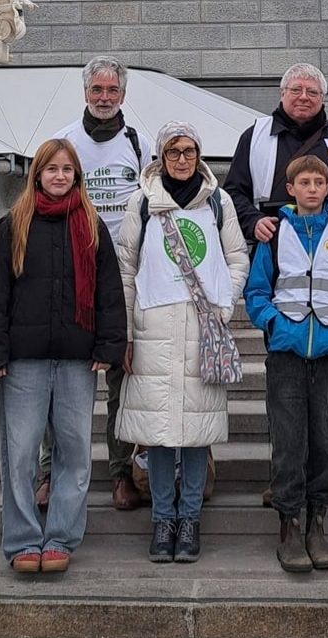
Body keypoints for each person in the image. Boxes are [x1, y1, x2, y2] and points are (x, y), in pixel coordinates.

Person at [225, 62, 328, 509]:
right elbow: (233, 190)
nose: (304, 96)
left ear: (323, 97)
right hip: (278, 241)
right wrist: (255, 224)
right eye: (296, 89)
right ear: (282, 92)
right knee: (284, 389)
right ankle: (286, 474)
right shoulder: (254, 135)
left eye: (312, 90)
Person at [0, 138, 125, 573]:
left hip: (78, 359)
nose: (60, 176)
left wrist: (109, 344)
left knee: (75, 451)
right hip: (23, 361)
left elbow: (110, 293)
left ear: (77, 175)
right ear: (37, 174)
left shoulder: (92, 226)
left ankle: (60, 535)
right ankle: (24, 539)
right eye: (51, 169)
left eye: (67, 169)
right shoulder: (12, 226)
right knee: (21, 452)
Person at [117, 121, 249, 563]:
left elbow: (236, 256)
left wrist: (225, 305)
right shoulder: (141, 202)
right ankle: (162, 519)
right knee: (158, 434)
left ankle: (189, 519)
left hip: (202, 329)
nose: (182, 159)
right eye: (173, 152)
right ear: (160, 156)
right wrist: (128, 329)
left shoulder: (218, 201)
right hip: (153, 328)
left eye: (189, 150)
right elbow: (125, 268)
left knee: (195, 432)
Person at [244, 155, 328, 572]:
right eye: (305, 181)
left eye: (320, 181)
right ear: (291, 188)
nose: (313, 188)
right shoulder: (274, 234)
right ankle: (289, 522)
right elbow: (256, 292)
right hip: (286, 353)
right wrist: (275, 326)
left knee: (325, 438)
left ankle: (318, 522)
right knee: (288, 440)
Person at [42, 56, 153, 512]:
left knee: (120, 379)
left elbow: (154, 203)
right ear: (85, 93)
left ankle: (121, 472)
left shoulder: (139, 143)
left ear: (123, 95)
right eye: (97, 90)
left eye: (112, 91)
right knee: (61, 380)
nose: (104, 98)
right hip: (71, 270)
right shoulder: (64, 141)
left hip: (124, 273)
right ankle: (51, 471)